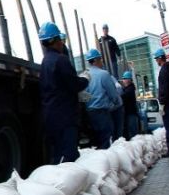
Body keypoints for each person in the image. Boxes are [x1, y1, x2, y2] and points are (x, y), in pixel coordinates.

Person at [38, 22, 89, 164]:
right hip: (65, 116)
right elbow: (74, 84)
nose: (62, 42)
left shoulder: (45, 62)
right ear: (55, 40)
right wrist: (85, 79)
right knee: (69, 157)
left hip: (51, 117)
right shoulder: (61, 60)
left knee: (57, 156)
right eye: (60, 39)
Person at [83, 49, 121, 149]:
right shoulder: (104, 74)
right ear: (96, 60)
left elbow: (82, 96)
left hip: (88, 114)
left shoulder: (83, 75)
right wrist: (116, 103)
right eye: (100, 59)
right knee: (106, 142)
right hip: (102, 113)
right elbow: (113, 95)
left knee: (95, 143)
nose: (102, 62)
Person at [120, 71, 139, 139]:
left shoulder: (129, 90)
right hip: (129, 114)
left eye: (125, 79)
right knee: (131, 133)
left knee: (132, 134)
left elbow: (123, 97)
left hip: (131, 114)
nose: (123, 80)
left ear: (129, 80)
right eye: (123, 79)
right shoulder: (128, 88)